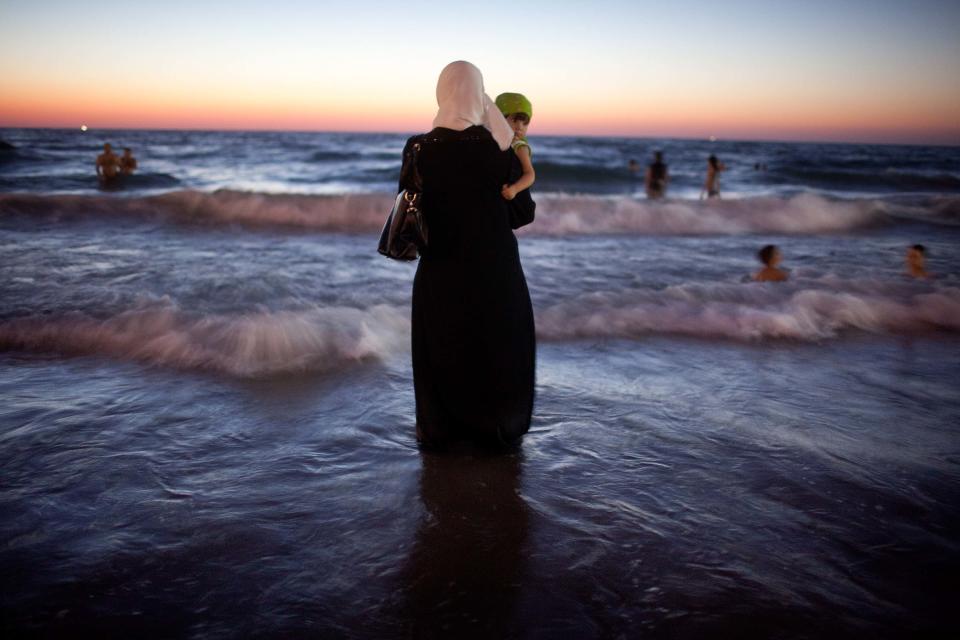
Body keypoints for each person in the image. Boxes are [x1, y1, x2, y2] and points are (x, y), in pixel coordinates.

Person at [403, 61, 536, 449]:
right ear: (480, 95)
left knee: (443, 341)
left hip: (441, 264)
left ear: (443, 93)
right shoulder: (500, 147)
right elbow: (523, 212)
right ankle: (499, 427)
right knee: (498, 341)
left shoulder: (419, 148)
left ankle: (443, 430)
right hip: (495, 265)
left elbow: (410, 205)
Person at [495, 92, 535, 201]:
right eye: (514, 120)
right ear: (499, 119)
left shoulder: (519, 146)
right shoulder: (497, 141)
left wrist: (515, 189)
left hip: (513, 194)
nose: (519, 127)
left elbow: (530, 174)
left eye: (525, 123)